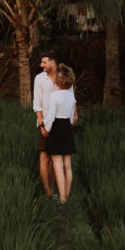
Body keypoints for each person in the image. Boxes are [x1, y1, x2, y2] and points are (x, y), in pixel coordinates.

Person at [40, 63, 77, 202]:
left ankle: (62, 198)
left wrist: (46, 129)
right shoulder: (71, 96)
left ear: (57, 81)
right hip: (67, 128)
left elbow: (51, 116)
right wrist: (68, 127)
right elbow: (72, 116)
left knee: (58, 166)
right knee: (67, 164)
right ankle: (67, 194)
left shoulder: (54, 96)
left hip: (56, 128)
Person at [32, 49, 57, 196]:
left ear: (52, 63)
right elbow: (37, 103)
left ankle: (53, 189)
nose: (41, 65)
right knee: (45, 157)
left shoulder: (62, 77)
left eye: (44, 62)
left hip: (59, 124)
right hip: (44, 123)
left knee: (55, 158)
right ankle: (47, 191)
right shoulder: (39, 79)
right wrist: (42, 125)